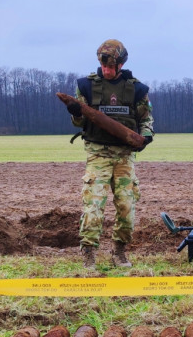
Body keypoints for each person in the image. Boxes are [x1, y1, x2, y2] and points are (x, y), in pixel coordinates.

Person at [64, 39, 154, 268]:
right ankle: (89, 254)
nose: (106, 70)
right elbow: (79, 123)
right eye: (103, 66)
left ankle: (119, 252)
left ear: (120, 64)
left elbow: (146, 119)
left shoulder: (137, 89)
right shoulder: (86, 86)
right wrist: (75, 113)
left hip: (124, 157)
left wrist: (146, 136)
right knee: (93, 206)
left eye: (111, 66)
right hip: (98, 154)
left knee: (126, 207)